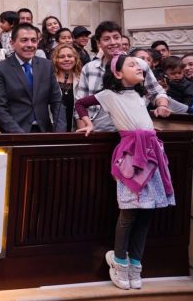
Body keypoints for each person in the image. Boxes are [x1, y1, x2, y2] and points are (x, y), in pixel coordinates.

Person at [75, 54, 175, 291]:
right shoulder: (109, 95)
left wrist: (152, 122)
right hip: (131, 155)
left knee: (147, 213)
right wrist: (88, 123)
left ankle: (136, 264)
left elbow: (147, 110)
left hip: (150, 153)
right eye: (132, 65)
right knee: (129, 212)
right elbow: (80, 103)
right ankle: (119, 260)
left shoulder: (141, 94)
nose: (139, 67)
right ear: (118, 73)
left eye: (139, 65)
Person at [75, 21, 173, 132]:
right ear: (99, 43)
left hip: (133, 131)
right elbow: (79, 103)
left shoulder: (139, 65)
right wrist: (84, 135)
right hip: (99, 132)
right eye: (106, 39)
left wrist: (162, 106)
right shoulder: (89, 68)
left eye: (116, 37)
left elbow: (157, 92)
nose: (113, 42)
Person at [0, 23, 66, 133]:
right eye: (24, 40)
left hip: (44, 132)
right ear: (12, 43)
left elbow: (57, 102)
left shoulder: (47, 66)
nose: (30, 45)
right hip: (15, 133)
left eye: (33, 40)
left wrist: (60, 133)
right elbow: (0, 108)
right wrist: (20, 136)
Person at [51, 43, 82, 131]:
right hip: (53, 128)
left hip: (75, 129)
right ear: (55, 60)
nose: (66, 59)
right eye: (61, 57)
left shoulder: (82, 79)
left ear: (75, 59)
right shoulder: (50, 79)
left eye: (70, 56)